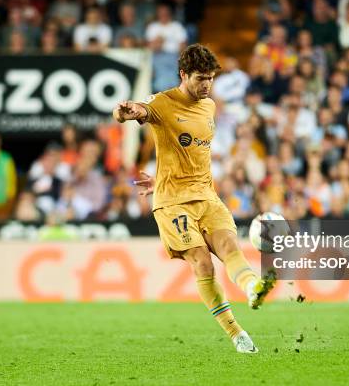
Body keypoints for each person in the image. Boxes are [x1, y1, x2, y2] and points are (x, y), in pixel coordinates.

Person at [112, 44, 276, 353]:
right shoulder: (163, 102)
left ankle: (253, 287)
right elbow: (138, 109)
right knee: (202, 262)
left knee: (228, 245)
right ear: (183, 75)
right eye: (201, 78)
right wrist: (124, 112)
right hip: (172, 201)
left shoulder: (209, 107)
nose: (206, 85)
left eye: (211, 79)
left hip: (206, 195)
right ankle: (236, 333)